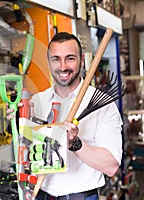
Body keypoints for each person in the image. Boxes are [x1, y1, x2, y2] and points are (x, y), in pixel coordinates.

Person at [7, 32, 123, 200]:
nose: (63, 66)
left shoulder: (103, 105)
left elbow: (111, 166)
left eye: (70, 58)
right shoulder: (37, 102)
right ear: (49, 62)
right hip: (40, 194)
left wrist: (75, 144)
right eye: (56, 59)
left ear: (82, 60)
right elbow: (26, 157)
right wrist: (20, 125)